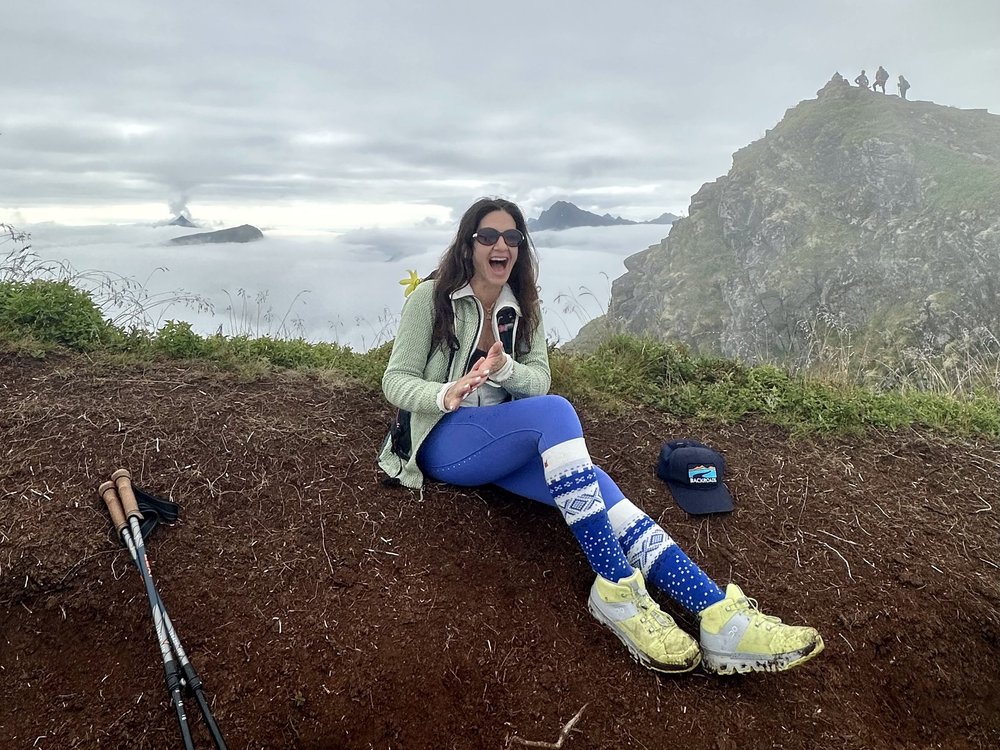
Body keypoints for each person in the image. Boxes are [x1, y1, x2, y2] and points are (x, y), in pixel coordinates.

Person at [378, 197, 824, 676]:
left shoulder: (520, 308)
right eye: (488, 236)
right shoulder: (430, 299)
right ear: (468, 246)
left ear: (521, 248)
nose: (500, 245)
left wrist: (504, 368)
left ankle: (718, 618)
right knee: (556, 415)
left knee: (601, 488)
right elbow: (395, 379)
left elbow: (538, 380)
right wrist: (446, 393)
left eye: (511, 237)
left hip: (500, 440)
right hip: (443, 439)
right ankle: (615, 588)